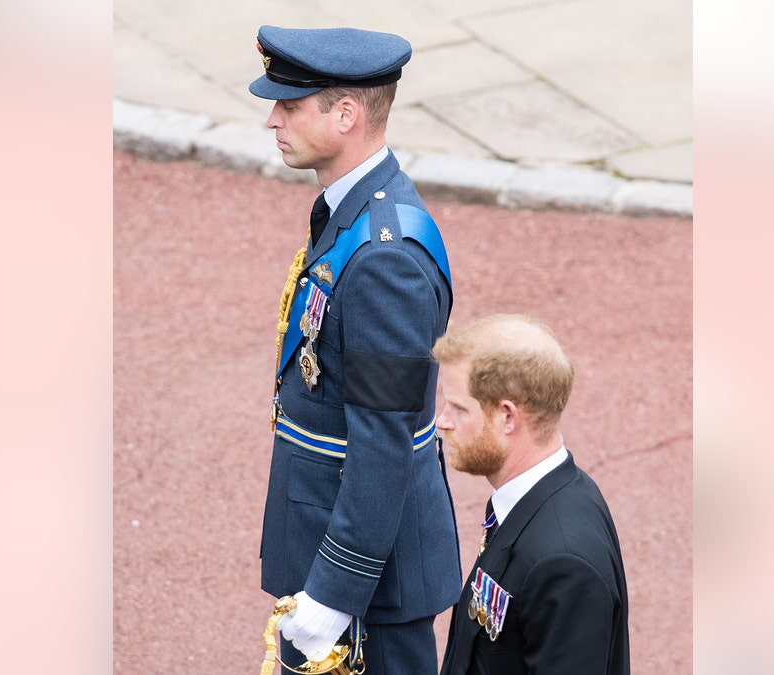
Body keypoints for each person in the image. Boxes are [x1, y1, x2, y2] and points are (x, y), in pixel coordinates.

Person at [248, 25, 462, 674]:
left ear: (345, 115)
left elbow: (384, 437)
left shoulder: (384, 258)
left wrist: (335, 594)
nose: (272, 120)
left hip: (369, 583)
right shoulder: (350, 211)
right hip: (340, 546)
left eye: (289, 105)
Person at [432, 314, 631, 675]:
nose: (442, 421)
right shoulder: (538, 496)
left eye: (458, 408)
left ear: (507, 417)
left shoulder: (563, 562)